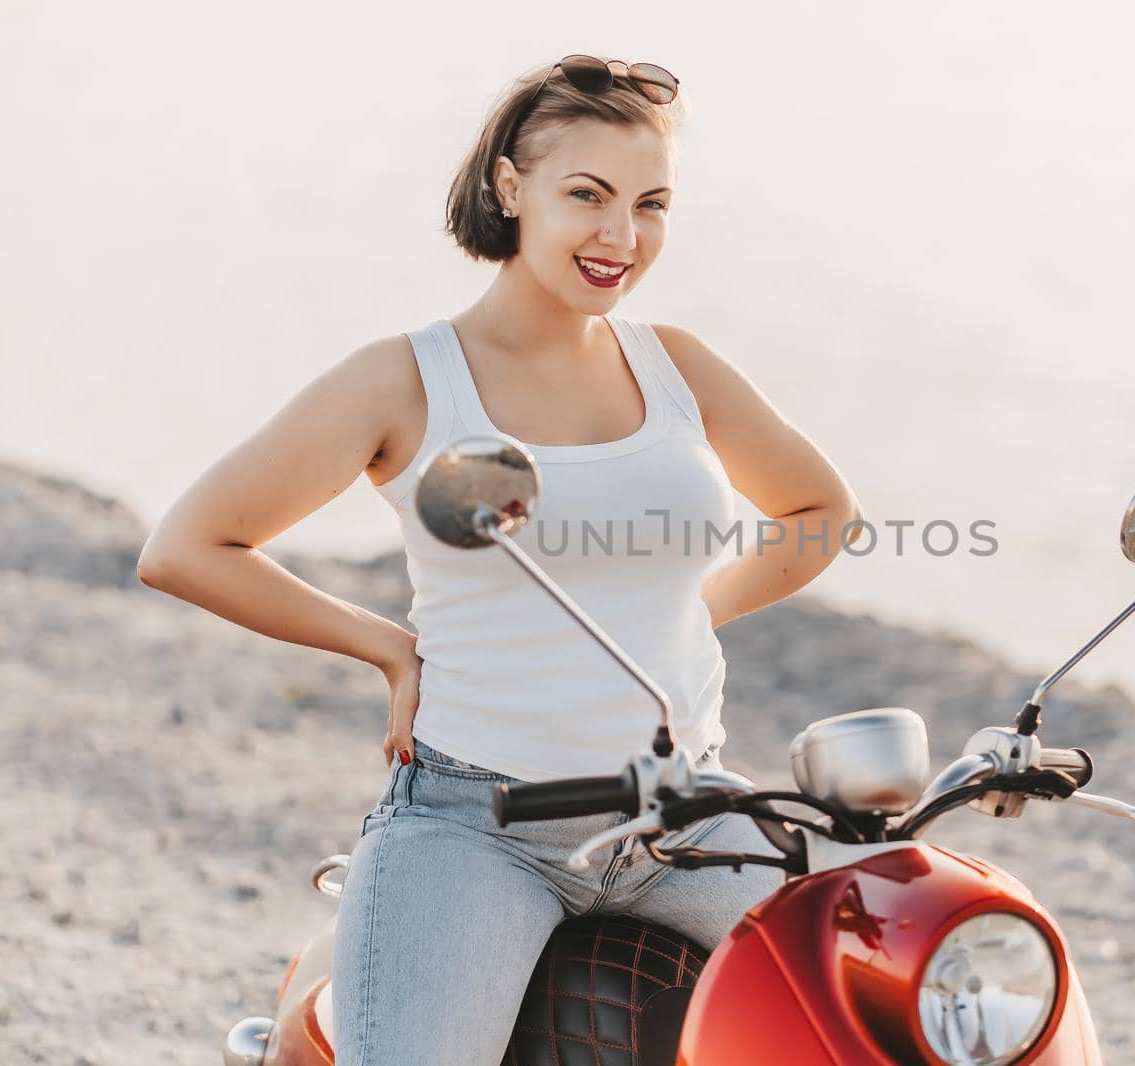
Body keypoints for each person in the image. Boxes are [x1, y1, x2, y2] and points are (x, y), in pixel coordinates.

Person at [136, 54, 863, 1064]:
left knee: (894, 993)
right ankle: (321, 990)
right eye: (588, 196)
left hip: (685, 816)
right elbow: (188, 546)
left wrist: (688, 618)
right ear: (510, 189)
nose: (623, 236)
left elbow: (821, 509)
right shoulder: (406, 379)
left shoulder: (678, 366)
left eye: (651, 205)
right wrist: (389, 648)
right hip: (477, 825)